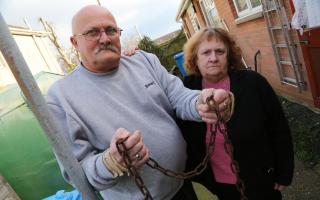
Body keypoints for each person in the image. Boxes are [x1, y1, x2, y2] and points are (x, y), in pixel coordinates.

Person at [46, 5, 234, 200]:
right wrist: (111, 162)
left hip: (181, 186)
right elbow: (76, 172)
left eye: (111, 30)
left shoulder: (144, 60)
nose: (105, 38)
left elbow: (179, 96)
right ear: (75, 42)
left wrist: (201, 101)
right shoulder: (60, 99)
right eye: (93, 32)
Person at [177, 27, 294, 200]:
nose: (213, 58)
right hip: (219, 184)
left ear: (229, 55)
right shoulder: (185, 90)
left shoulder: (253, 83)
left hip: (261, 178)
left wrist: (284, 171)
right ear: (195, 58)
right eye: (206, 52)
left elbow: (279, 128)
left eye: (220, 51)